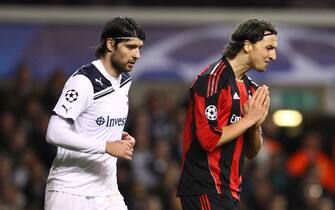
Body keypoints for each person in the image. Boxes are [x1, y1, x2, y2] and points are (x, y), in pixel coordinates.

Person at [44, 16, 145, 210]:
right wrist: (106, 145)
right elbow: (54, 132)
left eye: (139, 47)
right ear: (110, 44)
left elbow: (96, 123)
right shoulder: (83, 82)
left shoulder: (125, 81)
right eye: (130, 47)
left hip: (106, 192)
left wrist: (117, 138)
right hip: (70, 191)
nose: (137, 54)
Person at [177, 19, 278, 210]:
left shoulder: (251, 89)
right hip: (204, 187)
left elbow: (252, 152)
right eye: (269, 48)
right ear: (247, 45)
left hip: (230, 190)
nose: (273, 55)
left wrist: (255, 125)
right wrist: (249, 119)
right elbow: (208, 139)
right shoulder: (212, 80)